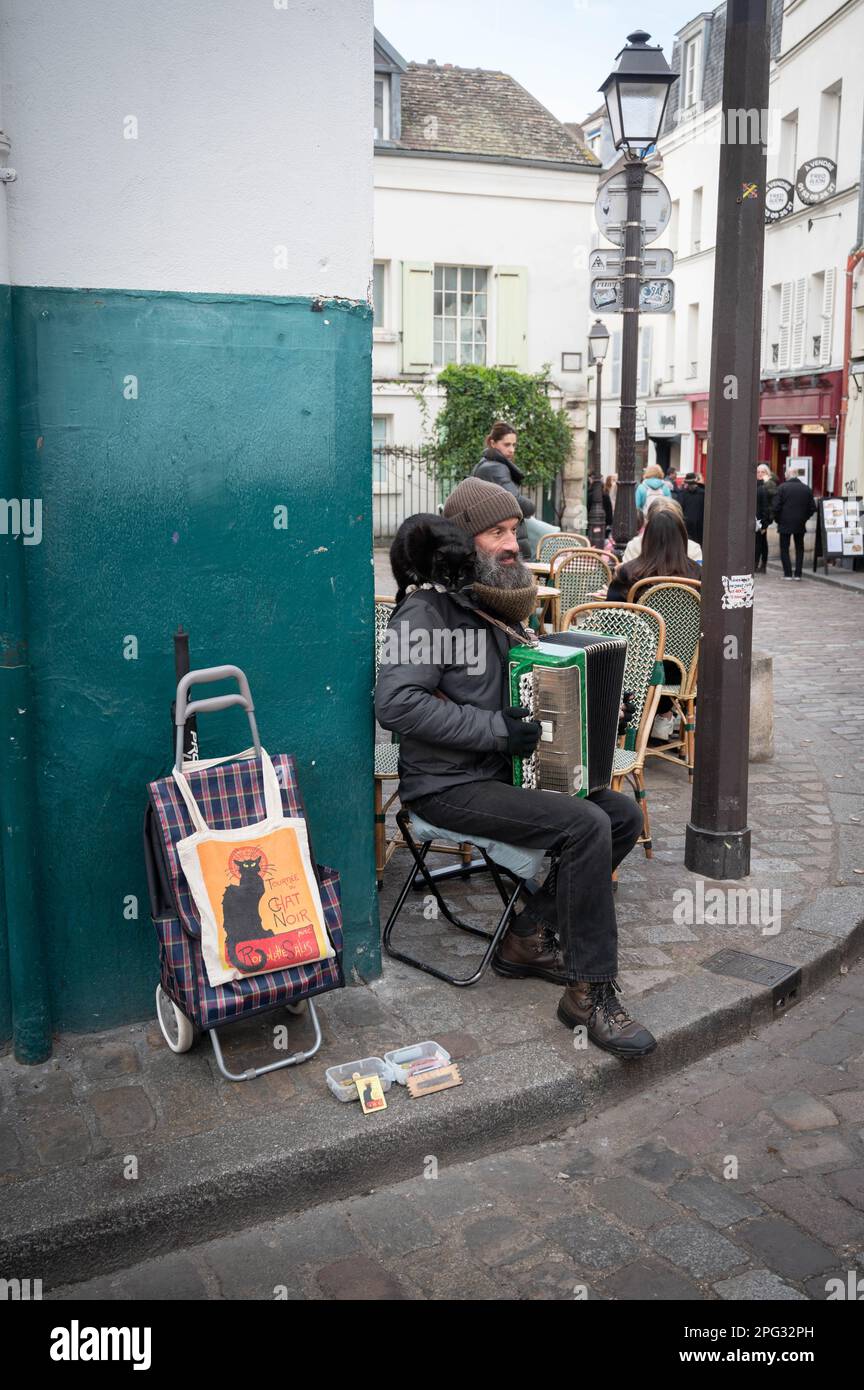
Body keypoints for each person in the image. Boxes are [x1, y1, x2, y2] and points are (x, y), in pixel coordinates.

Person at [375, 475, 656, 1060]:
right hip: (446, 786)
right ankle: (590, 993)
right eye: (495, 532)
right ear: (463, 541)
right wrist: (495, 731)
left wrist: (600, 707)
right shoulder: (428, 612)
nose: (512, 543)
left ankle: (526, 936)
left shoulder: (501, 607)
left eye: (514, 531)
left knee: (621, 815)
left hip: (502, 777)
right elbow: (395, 703)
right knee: (585, 827)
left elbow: (538, 690)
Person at [607, 506, 701, 741]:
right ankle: (666, 715)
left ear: (646, 538)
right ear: (682, 539)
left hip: (639, 669)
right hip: (686, 671)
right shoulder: (698, 575)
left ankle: (642, 719)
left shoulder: (629, 574)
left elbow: (613, 621)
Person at [472, 421, 535, 559]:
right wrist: (531, 505)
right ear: (493, 443)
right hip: (506, 542)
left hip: (498, 538)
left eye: (514, 445)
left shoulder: (485, 464)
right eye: (507, 444)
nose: (512, 449)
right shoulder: (495, 468)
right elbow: (516, 503)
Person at [621, 496, 703, 565]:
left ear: (649, 523)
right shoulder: (692, 549)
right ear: (680, 523)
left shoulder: (634, 546)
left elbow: (626, 579)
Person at [772, 465, 816, 580]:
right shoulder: (806, 488)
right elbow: (812, 508)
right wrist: (804, 518)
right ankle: (798, 574)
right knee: (799, 548)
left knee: (784, 548)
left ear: (787, 475)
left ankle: (787, 574)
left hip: (784, 522)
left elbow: (776, 507)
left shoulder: (782, 488)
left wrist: (778, 520)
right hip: (800, 523)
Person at [755, 465, 773, 573]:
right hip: (755, 518)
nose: (760, 474)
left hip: (763, 520)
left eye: (763, 472)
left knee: (761, 543)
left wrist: (765, 523)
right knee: (757, 543)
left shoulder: (768, 486)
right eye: (758, 472)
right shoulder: (755, 486)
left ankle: (762, 564)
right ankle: (756, 563)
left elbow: (767, 506)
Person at [679, 472, 705, 546]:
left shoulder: (703, 494)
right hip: (687, 526)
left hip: (699, 527)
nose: (691, 486)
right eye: (689, 484)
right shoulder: (682, 494)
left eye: (692, 484)